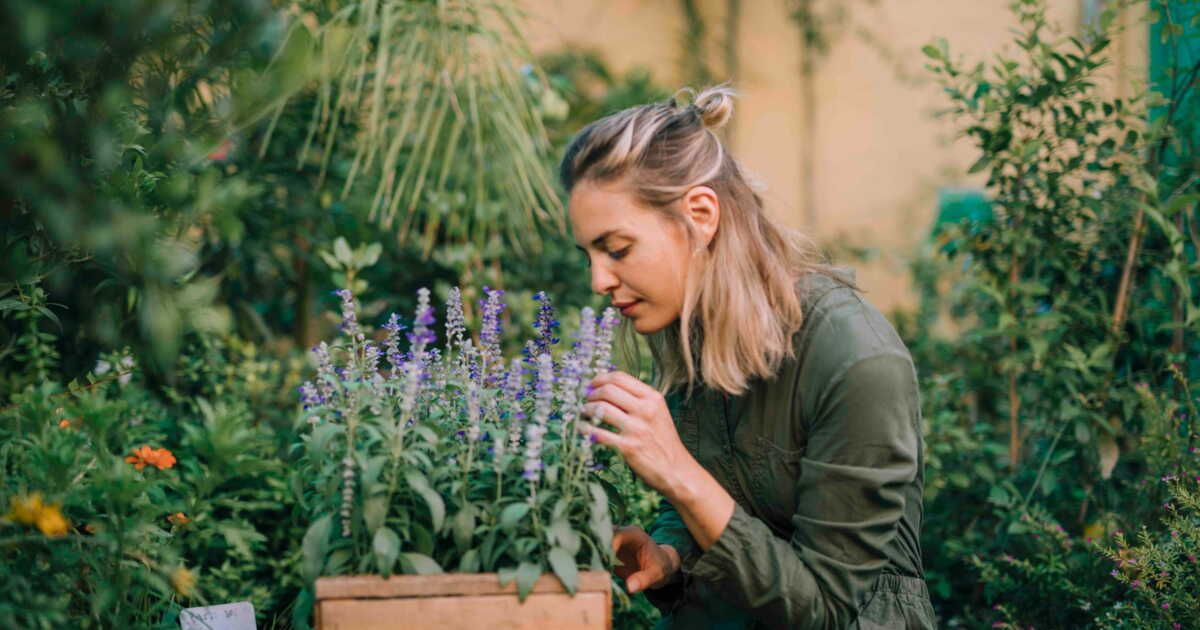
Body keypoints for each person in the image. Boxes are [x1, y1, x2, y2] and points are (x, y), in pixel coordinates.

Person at [562, 84, 936, 629]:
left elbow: (825, 610)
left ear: (700, 214)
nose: (599, 279)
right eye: (591, 254)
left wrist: (678, 472)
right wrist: (669, 558)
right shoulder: (692, 328)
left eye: (617, 249)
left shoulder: (856, 359)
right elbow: (714, 497)